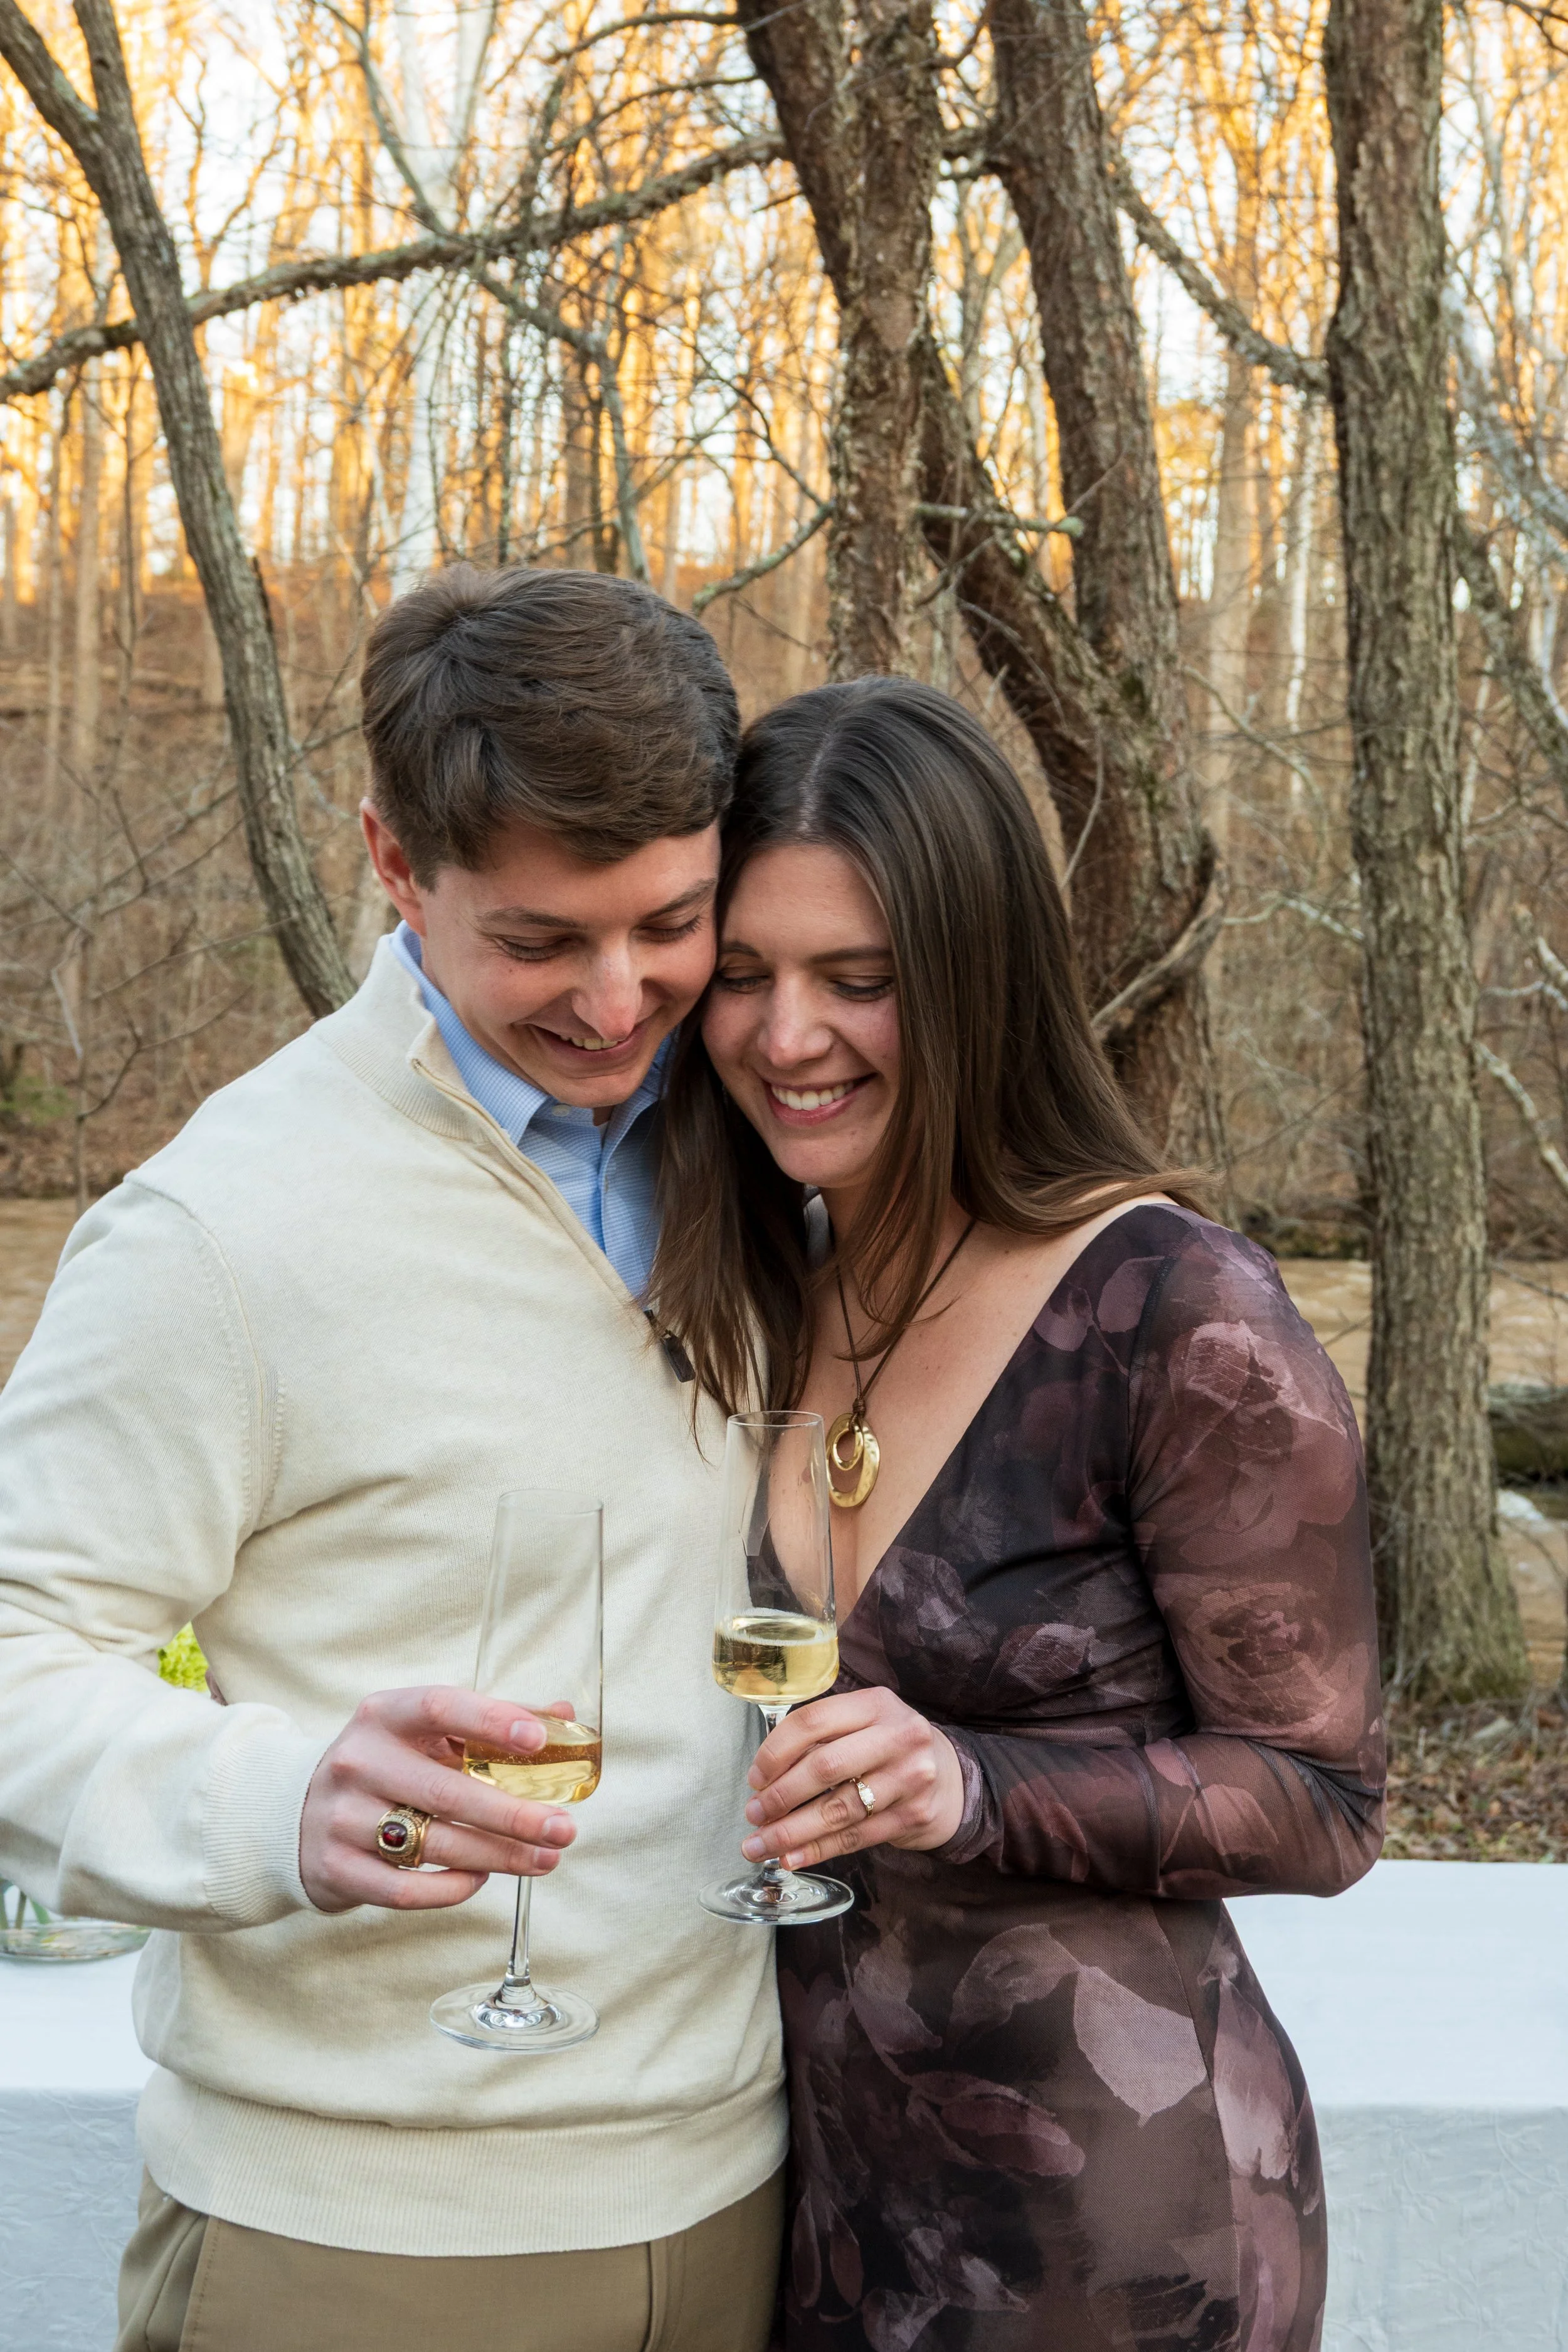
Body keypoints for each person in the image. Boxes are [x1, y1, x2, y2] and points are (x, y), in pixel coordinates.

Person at [0, 566, 785, 2352]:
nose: (616, 998)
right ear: (388, 856)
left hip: (744, 2191)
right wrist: (273, 1797)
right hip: (347, 2244)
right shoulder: (223, 1227)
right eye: (536, 940)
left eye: (668, 920)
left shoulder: (769, 1138)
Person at [653, 676, 1385, 2352]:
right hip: (830, 2202)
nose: (784, 1037)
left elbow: (1322, 1799)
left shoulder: (1173, 1311)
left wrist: (970, 1782)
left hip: (1121, 2230)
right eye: (745, 976)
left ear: (979, 982)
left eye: (859, 980)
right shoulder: (769, 1282)